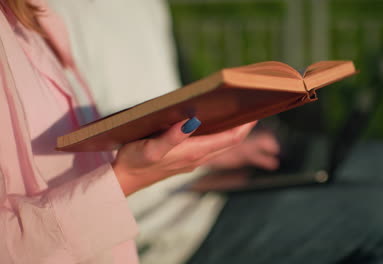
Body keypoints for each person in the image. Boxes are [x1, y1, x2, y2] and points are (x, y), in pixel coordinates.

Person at [47, 1, 383, 264]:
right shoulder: (45, 16)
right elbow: (70, 149)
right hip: (161, 226)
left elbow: (159, 105)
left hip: (194, 181)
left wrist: (223, 146)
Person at [0, 0, 258, 263]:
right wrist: (128, 176)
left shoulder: (33, 14)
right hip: (155, 228)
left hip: (181, 206)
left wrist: (211, 147)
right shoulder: (51, 12)